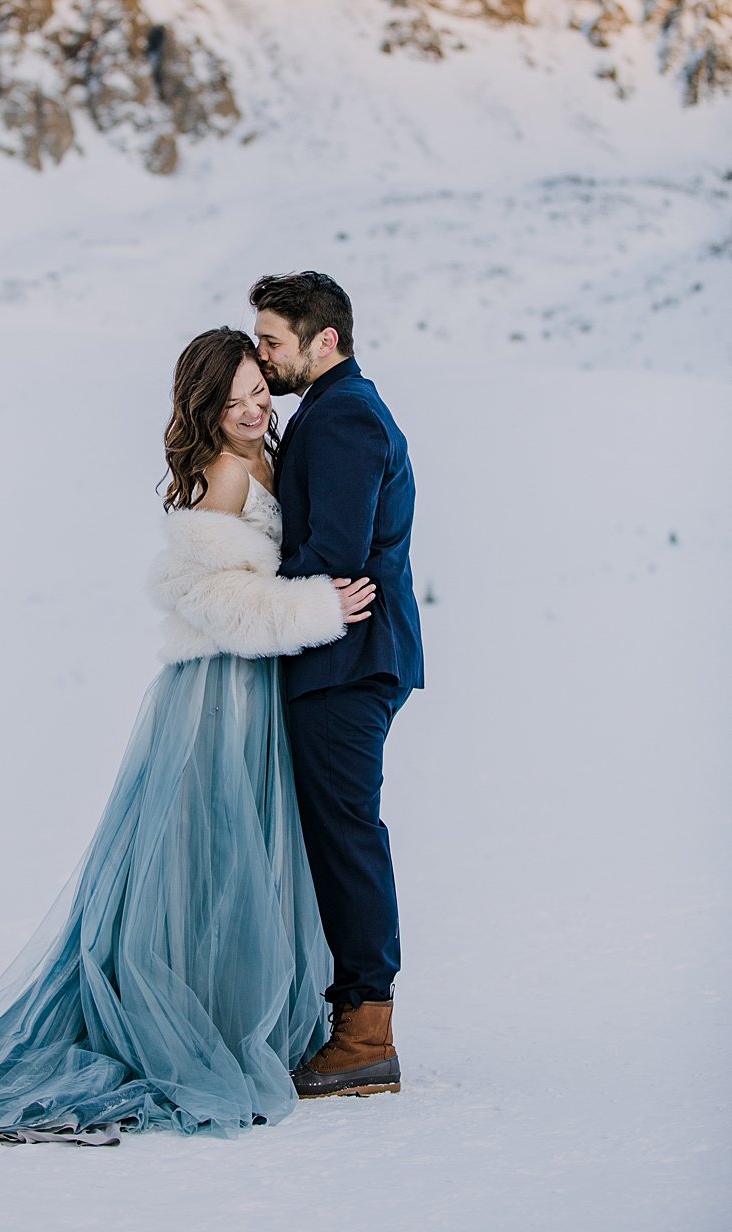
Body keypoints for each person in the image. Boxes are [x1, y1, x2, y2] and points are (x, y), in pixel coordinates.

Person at [0, 328, 376, 1143]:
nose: (252, 408)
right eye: (233, 399)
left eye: (258, 390)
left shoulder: (260, 456)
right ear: (203, 409)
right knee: (205, 856)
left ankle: (228, 1009)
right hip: (218, 687)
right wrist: (316, 610)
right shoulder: (220, 472)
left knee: (238, 853)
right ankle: (192, 1025)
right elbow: (205, 596)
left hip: (252, 685)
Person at [249, 272, 424, 1099]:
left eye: (272, 341)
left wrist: (246, 586)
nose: (262, 355)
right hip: (340, 658)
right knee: (334, 832)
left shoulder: (345, 412)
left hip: (347, 661)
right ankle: (352, 1020)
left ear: (325, 340)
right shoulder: (330, 409)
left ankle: (365, 1035)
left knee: (345, 834)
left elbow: (338, 549)